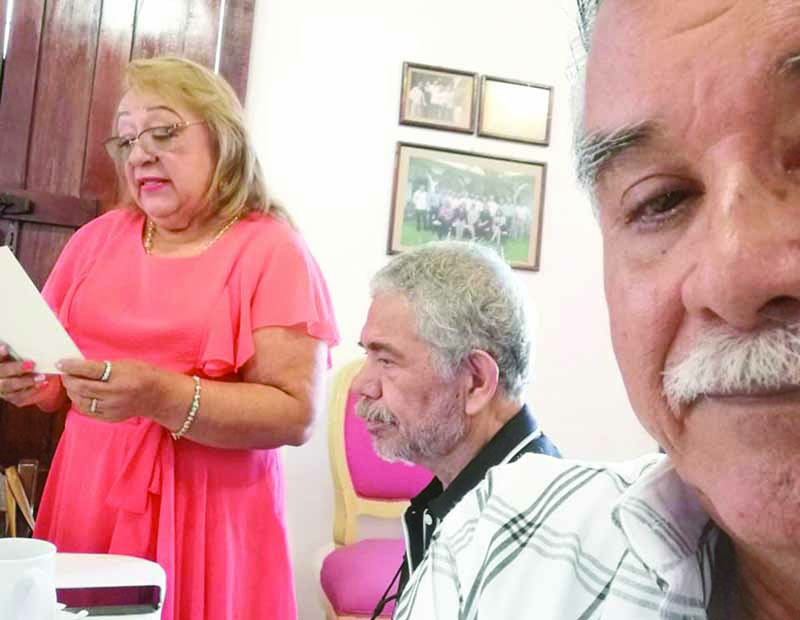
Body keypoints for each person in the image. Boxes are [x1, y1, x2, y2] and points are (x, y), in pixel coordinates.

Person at [388, 1, 800, 618]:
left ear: (478, 378)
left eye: (386, 357)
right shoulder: (492, 555)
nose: (733, 278)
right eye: (660, 200)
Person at [0, 56, 338, 620]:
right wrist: (21, 378)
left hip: (209, 514)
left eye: (162, 132)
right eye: (127, 139)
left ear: (224, 141)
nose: (140, 154)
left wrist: (160, 396)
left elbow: (295, 415)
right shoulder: (95, 240)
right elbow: (54, 385)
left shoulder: (273, 250)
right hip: (89, 493)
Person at [352, 241, 560, 618]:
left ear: (476, 381)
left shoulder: (531, 536)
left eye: (386, 360)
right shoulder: (463, 499)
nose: (361, 385)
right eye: (368, 355)